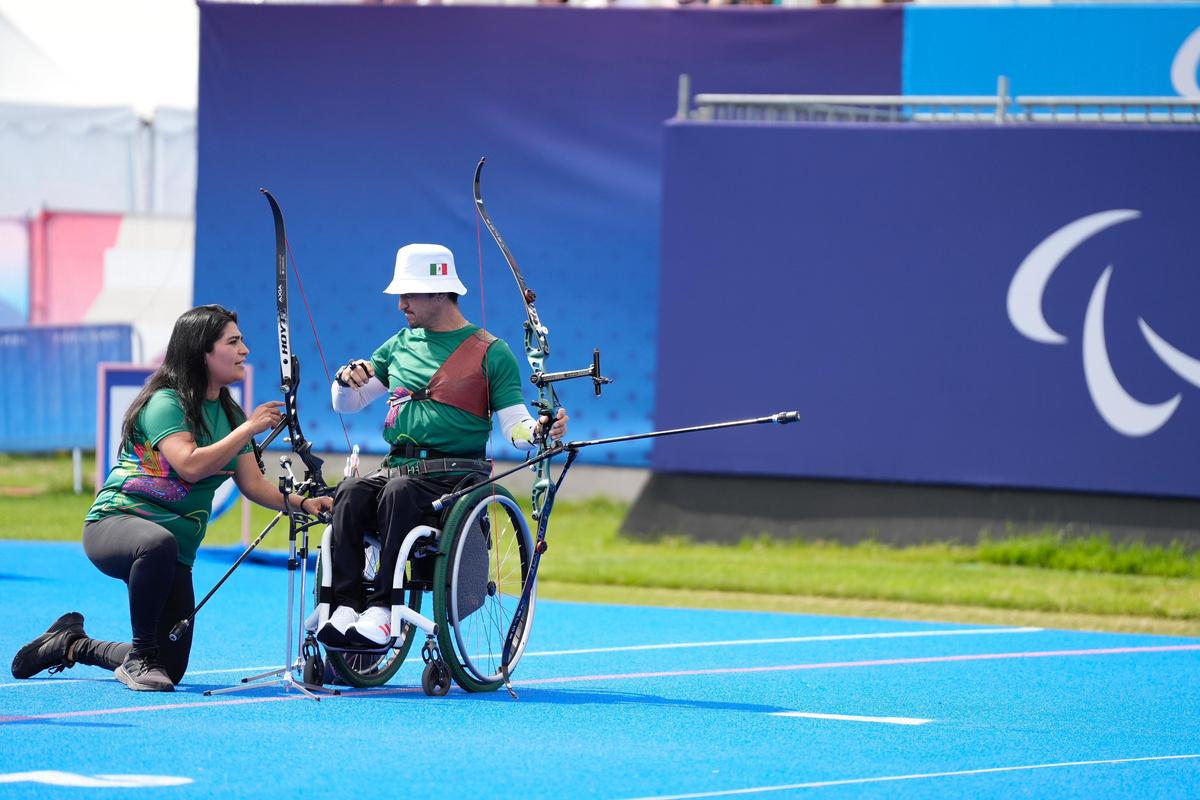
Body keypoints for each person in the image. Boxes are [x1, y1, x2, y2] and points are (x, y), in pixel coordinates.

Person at [9, 305, 333, 692]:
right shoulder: (167, 402)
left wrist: (303, 503)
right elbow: (190, 465)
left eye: (242, 340)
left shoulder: (229, 413)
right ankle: (141, 658)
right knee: (156, 549)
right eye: (233, 342)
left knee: (172, 668)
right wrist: (248, 429)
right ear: (202, 352)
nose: (245, 350)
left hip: (173, 551)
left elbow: (253, 484)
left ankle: (73, 645)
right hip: (115, 526)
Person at [319, 243, 567, 648]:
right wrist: (346, 380)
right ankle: (346, 607)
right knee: (348, 491)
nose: (400, 304)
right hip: (397, 471)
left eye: (409, 294)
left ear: (440, 293)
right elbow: (346, 405)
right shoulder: (399, 344)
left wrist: (540, 431)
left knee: (399, 492)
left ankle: (383, 612)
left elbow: (515, 425)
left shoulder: (492, 352)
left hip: (452, 481)